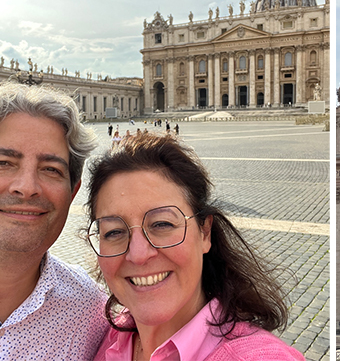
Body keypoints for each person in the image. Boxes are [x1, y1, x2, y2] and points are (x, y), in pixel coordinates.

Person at [87, 133, 304, 360]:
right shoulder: (107, 336)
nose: (139, 255)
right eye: (114, 232)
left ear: (205, 233)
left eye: (162, 224)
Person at [0, 82, 108, 359]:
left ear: (72, 193)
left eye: (51, 169)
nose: (26, 187)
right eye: (2, 163)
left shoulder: (93, 314)